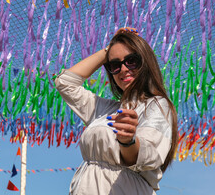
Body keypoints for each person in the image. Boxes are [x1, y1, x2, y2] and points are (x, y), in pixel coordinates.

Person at [55, 27, 178, 194]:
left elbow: (149, 156)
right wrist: (108, 49)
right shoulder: (105, 110)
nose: (124, 69)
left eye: (131, 60)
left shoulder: (156, 104)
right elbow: (65, 83)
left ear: (145, 62)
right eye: (115, 65)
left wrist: (128, 141)